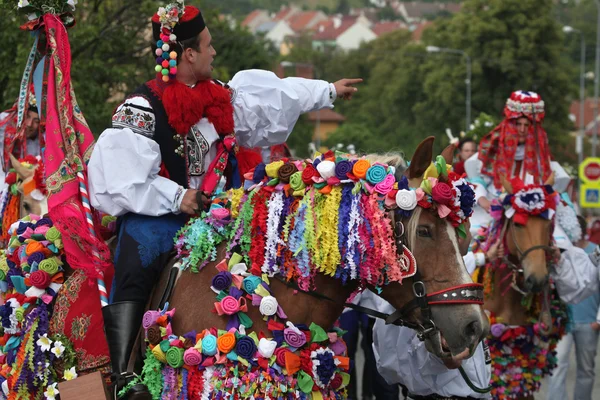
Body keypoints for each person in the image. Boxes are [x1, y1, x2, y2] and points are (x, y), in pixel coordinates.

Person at [87, 3, 361, 398]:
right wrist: (179, 196)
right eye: (208, 45)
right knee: (139, 250)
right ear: (188, 54)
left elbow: (275, 100)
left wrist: (328, 91)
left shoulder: (221, 100)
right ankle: (123, 373)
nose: (214, 52)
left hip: (220, 217)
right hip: (164, 213)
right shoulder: (141, 109)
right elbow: (118, 179)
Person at [372, 228, 501, 400]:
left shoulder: (452, 278)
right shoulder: (413, 297)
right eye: (460, 228)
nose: (467, 232)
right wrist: (439, 355)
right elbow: (390, 367)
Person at [464, 91, 570, 235]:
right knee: (471, 240)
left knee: (560, 243)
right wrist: (483, 201)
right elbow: (478, 180)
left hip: (532, 215)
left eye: (526, 125)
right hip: (492, 211)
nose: (521, 130)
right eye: (518, 124)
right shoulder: (492, 151)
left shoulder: (542, 160)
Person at [547, 215, 600, 400]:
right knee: (558, 364)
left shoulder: (595, 252)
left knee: (586, 369)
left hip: (589, 321)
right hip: (564, 322)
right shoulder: (559, 254)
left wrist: (599, 319)